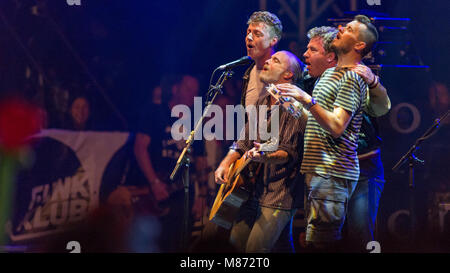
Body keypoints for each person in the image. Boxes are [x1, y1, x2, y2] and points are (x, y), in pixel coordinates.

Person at [277, 15, 379, 250]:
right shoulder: (328, 77)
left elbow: (336, 126)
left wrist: (305, 98)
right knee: (316, 241)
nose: (341, 28)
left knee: (325, 244)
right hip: (318, 170)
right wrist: (292, 106)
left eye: (350, 28)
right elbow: (317, 123)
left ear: (360, 45)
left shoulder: (351, 78)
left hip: (332, 171)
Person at [214, 50, 306, 253]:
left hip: (279, 193)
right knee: (238, 247)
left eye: (275, 60)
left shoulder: (294, 106)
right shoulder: (263, 101)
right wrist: (225, 163)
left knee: (255, 250)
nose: (267, 61)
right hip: (250, 190)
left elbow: (287, 153)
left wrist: (264, 157)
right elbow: (242, 142)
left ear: (288, 74)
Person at [133, 75, 207, 252]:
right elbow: (140, 147)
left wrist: (202, 196)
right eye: (188, 89)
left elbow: (201, 160)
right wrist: (154, 182)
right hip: (154, 192)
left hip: (182, 193)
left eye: (195, 92)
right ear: (175, 89)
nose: (192, 94)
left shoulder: (196, 122)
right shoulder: (155, 112)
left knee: (178, 244)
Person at [241, 11, 283, 107]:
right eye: (248, 32)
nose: (249, 37)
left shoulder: (283, 72)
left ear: (273, 41)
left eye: (257, 34)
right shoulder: (248, 73)